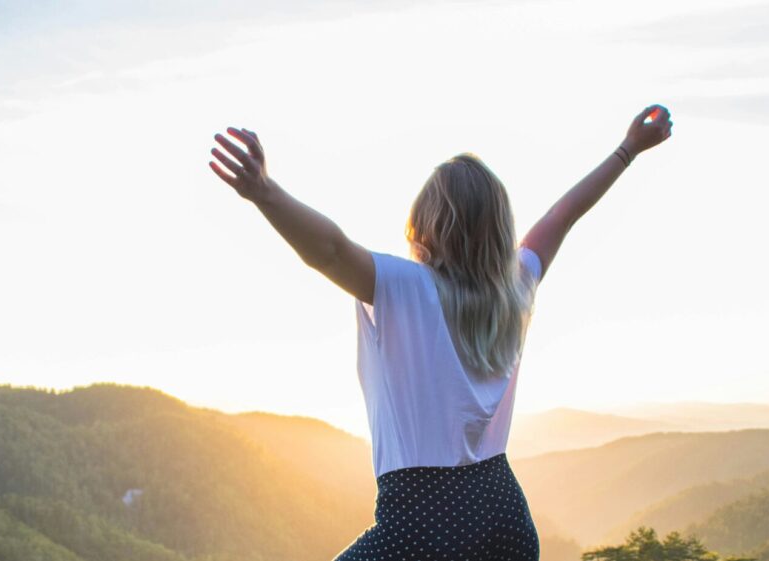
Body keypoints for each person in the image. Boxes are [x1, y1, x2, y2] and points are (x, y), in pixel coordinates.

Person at [208, 104, 673, 561]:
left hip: (421, 523)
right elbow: (562, 216)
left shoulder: (405, 287)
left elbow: (329, 250)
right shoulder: (516, 287)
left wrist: (265, 192)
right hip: (505, 517)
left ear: (425, 224)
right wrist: (627, 151)